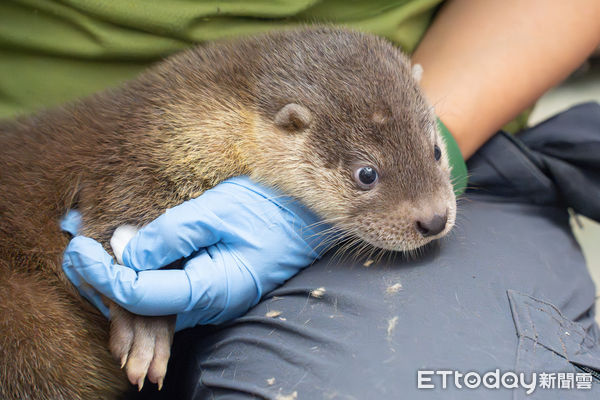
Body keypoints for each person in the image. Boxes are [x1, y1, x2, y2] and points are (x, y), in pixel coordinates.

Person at [4, 0, 600, 398]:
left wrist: (445, 145)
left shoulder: (420, 156)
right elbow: (123, 193)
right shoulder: (199, 131)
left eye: (429, 159)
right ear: (290, 130)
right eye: (366, 178)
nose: (434, 214)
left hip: (471, 113)